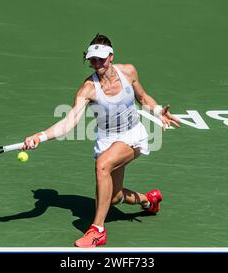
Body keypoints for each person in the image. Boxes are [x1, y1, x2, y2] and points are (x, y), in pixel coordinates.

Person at [22, 33, 181, 247]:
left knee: (102, 165)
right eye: (92, 60)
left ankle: (97, 230)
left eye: (101, 59)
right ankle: (149, 200)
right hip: (107, 139)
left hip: (132, 134)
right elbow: (69, 123)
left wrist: (159, 111)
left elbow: (142, 98)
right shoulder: (88, 89)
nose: (97, 64)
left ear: (111, 56)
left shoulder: (128, 72)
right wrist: (40, 136)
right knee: (113, 197)